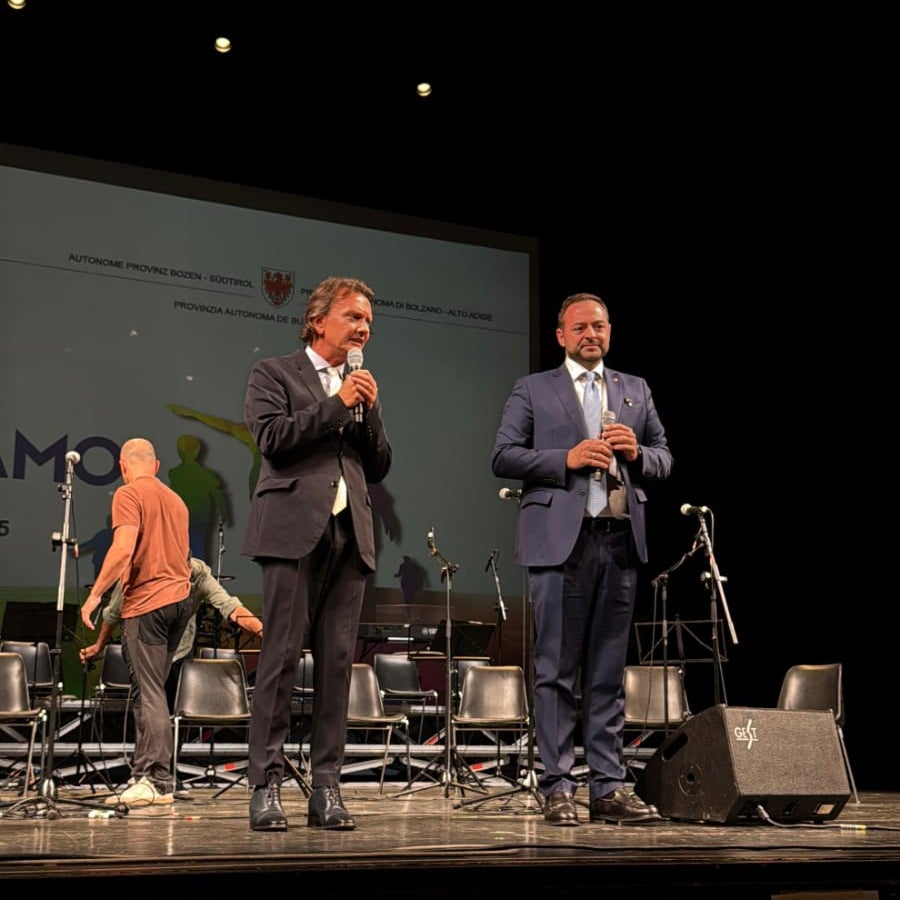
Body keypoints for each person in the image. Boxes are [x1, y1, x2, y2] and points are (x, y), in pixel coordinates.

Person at [491, 292, 673, 827]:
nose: (590, 334)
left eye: (598, 326)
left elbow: (665, 456)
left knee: (608, 674)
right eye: (580, 327)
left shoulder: (634, 390)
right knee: (556, 671)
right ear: (561, 336)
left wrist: (640, 454)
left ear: (609, 331)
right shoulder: (533, 389)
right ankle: (556, 786)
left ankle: (608, 787)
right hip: (559, 544)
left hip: (617, 541)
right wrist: (563, 459)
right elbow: (502, 455)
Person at [241, 275, 392, 832]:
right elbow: (273, 438)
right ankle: (266, 785)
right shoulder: (274, 373)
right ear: (318, 320)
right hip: (290, 531)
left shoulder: (361, 384)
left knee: (335, 668)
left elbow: (377, 465)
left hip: (349, 537)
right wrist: (337, 404)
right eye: (354, 318)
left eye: (369, 322)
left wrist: (368, 410)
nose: (363, 329)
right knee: (279, 660)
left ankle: (327, 787)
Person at [79, 437, 194, 808]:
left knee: (148, 694)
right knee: (154, 693)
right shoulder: (176, 501)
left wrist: (96, 594)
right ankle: (160, 784)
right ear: (157, 466)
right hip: (179, 603)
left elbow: (123, 548)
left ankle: (151, 778)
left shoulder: (128, 495)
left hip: (148, 604)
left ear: (122, 465)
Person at [79, 556, 263, 708]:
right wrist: (98, 646)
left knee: (175, 711)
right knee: (148, 711)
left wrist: (265, 633)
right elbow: (113, 614)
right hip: (147, 653)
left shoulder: (199, 575)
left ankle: (172, 750)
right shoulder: (139, 570)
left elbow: (231, 607)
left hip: (179, 653)